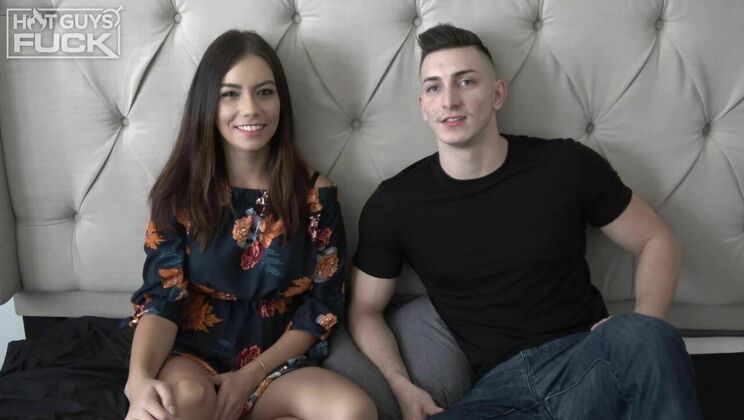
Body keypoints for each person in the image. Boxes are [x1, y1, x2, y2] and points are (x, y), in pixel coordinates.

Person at [348, 23, 702, 420]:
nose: (449, 100)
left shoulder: (564, 165)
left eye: (466, 82)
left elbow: (656, 239)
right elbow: (364, 309)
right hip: (498, 394)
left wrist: (645, 328)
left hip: (585, 361)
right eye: (434, 87)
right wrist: (399, 383)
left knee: (643, 333)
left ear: (498, 94)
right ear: (423, 106)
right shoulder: (395, 203)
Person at [124, 30, 376, 420]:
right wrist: (137, 379)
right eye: (230, 94)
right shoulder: (179, 194)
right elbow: (161, 299)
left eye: (264, 92)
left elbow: (322, 307)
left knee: (354, 411)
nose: (250, 109)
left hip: (276, 366)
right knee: (185, 400)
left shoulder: (316, 198)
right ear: (208, 104)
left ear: (281, 101)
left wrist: (249, 375)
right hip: (193, 358)